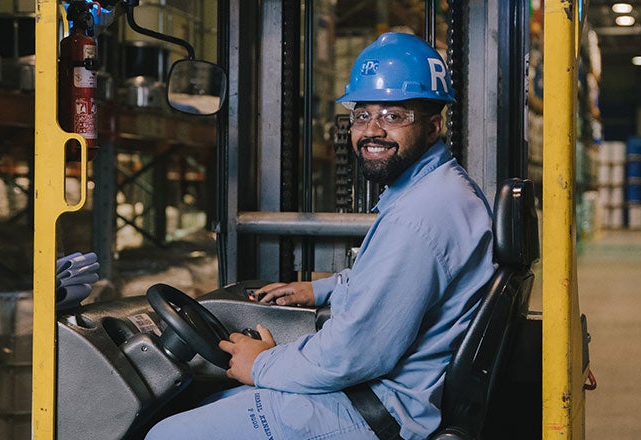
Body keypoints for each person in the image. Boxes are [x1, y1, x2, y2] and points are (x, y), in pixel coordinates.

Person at [146, 32, 493, 440]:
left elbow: (356, 353)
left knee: (167, 435)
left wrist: (261, 364)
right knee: (206, 405)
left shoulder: (421, 216)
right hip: (378, 395)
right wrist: (321, 289)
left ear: (434, 127)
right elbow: (393, 285)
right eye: (362, 115)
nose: (372, 130)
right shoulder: (436, 191)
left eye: (394, 116)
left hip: (375, 409)